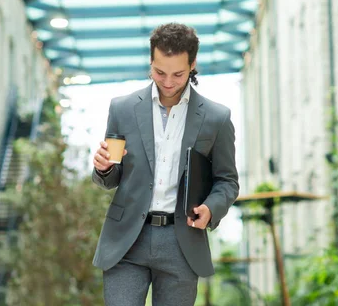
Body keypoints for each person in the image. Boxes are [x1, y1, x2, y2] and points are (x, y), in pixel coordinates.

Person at [92, 22, 239, 306]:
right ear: (151, 61)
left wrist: (211, 208)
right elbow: (111, 174)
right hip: (126, 241)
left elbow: (227, 181)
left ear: (193, 65)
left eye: (178, 74)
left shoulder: (216, 118)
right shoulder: (121, 109)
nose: (168, 82)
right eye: (159, 72)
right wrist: (104, 168)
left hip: (181, 241)